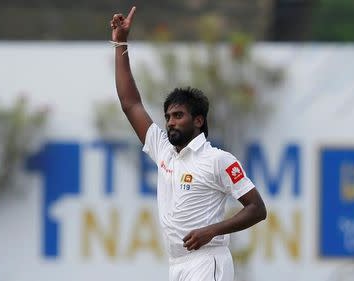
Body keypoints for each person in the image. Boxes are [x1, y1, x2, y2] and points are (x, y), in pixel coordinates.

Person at [110, 6, 267, 281]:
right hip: (177, 264)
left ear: (198, 121)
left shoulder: (218, 159)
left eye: (178, 115)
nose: (170, 122)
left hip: (208, 260)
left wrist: (212, 231)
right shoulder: (164, 151)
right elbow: (130, 103)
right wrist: (120, 42)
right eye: (168, 116)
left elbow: (257, 209)